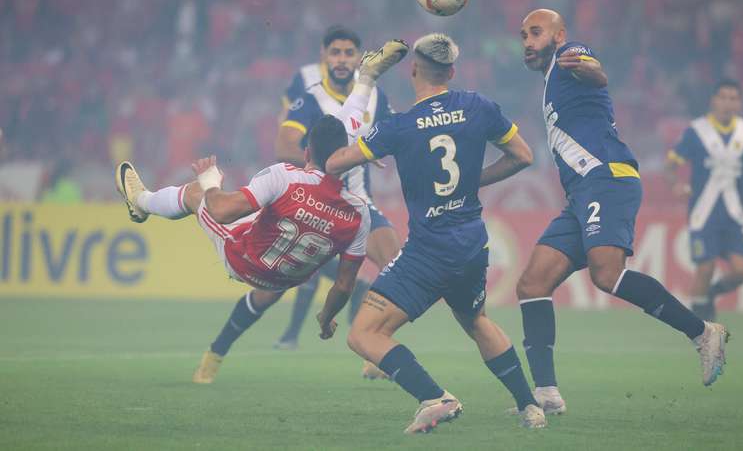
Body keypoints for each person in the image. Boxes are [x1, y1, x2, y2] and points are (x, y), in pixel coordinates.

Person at [515, 8, 730, 417]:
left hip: (607, 178)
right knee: (532, 283)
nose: (527, 41)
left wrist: (585, 64)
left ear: (559, 35)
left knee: (606, 274)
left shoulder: (569, 56)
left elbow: (596, 73)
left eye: (536, 33)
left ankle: (703, 333)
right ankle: (546, 394)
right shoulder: (548, 82)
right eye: (523, 35)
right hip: (581, 193)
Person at [327, 34, 546, 433]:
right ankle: (530, 407)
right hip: (472, 241)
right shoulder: (478, 106)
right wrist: (474, 181)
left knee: (363, 334)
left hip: (429, 250)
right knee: (475, 319)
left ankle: (435, 397)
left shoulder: (400, 126)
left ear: (412, 70)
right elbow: (523, 156)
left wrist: (366, 81)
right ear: (452, 72)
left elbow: (335, 161)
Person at [114, 115, 371, 378]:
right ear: (344, 156)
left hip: (242, 260)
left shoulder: (285, 176)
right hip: (285, 279)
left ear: (306, 152)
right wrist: (326, 318)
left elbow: (223, 212)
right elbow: (343, 285)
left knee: (195, 193)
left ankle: (141, 201)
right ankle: (216, 355)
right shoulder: (359, 212)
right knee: (280, 235)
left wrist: (210, 181)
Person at [273, 26, 401, 372]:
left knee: (396, 266)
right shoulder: (311, 99)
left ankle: (376, 342)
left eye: (348, 53)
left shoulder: (377, 97)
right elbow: (284, 145)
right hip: (317, 201)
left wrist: (377, 148)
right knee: (268, 286)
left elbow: (391, 135)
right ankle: (218, 351)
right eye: (336, 53)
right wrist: (328, 160)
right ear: (324, 57)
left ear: (358, 58)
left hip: (358, 202)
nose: (342, 60)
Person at [666, 79, 743, 321]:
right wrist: (676, 185)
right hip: (704, 212)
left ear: (739, 103)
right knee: (705, 267)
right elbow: (670, 165)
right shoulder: (696, 131)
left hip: (734, 213)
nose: (728, 103)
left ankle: (712, 293)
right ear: (713, 100)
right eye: (723, 97)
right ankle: (699, 325)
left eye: (733, 98)